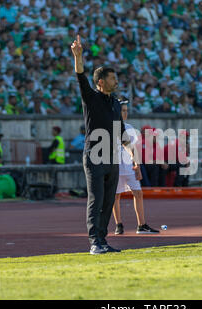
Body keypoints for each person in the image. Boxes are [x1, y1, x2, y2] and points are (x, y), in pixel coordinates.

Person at [72, 34, 132, 255]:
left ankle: (103, 240)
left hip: (112, 156)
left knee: (108, 202)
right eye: (112, 78)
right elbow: (80, 76)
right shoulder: (91, 97)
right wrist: (78, 56)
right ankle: (94, 242)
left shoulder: (116, 103)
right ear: (101, 82)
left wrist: (132, 155)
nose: (116, 81)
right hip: (95, 155)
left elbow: (121, 131)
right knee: (96, 200)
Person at [112, 102, 159, 235]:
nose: (125, 113)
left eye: (127, 110)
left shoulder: (130, 128)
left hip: (129, 166)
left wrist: (137, 165)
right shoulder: (110, 128)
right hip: (115, 167)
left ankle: (141, 225)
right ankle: (118, 224)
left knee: (138, 193)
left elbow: (134, 149)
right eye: (123, 111)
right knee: (115, 196)